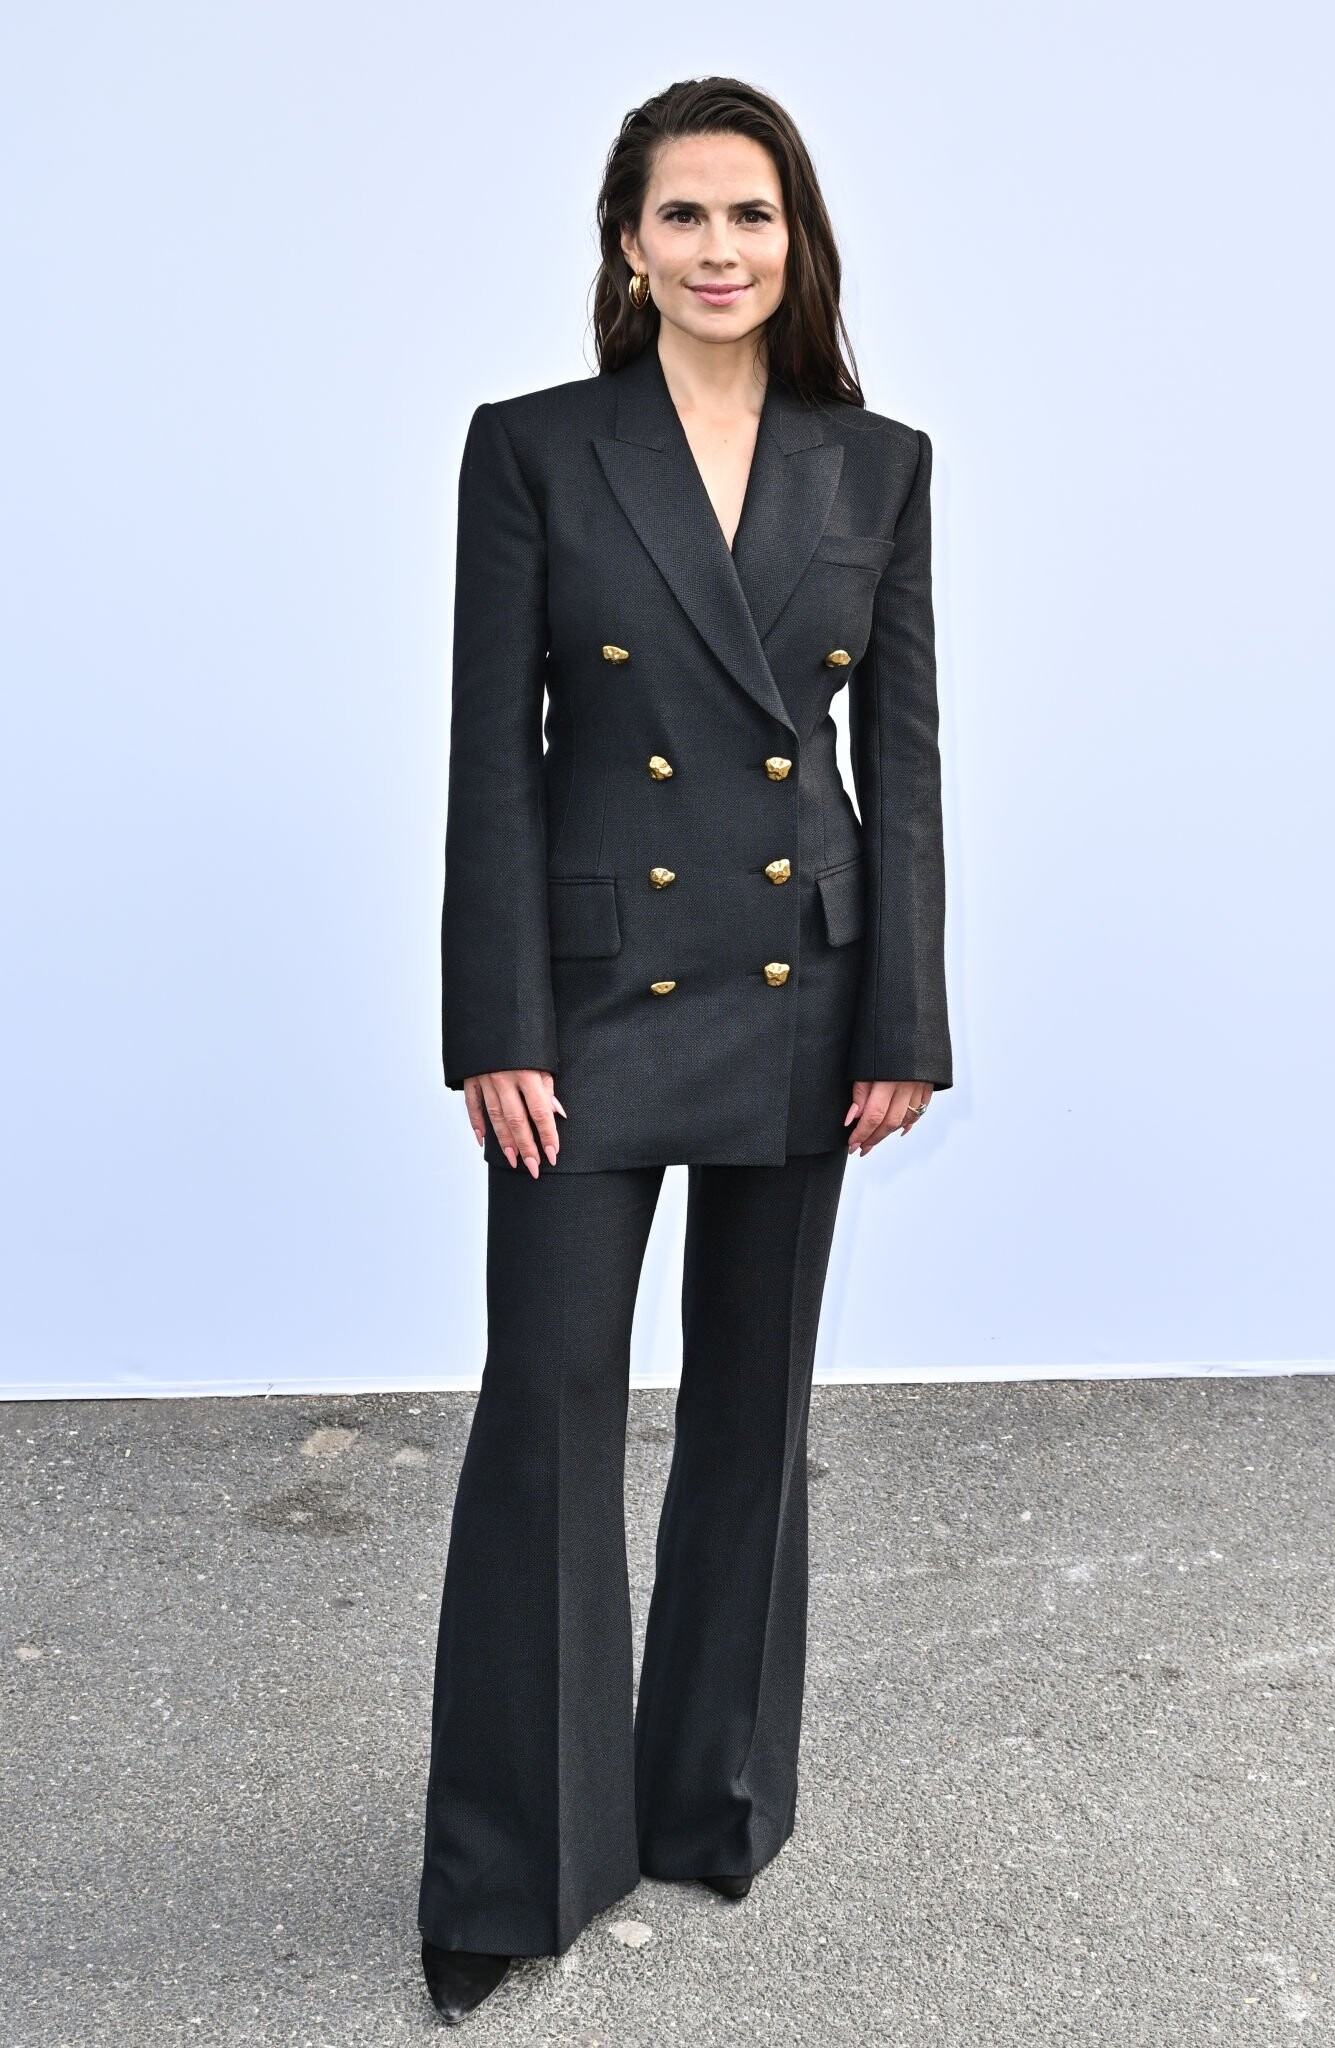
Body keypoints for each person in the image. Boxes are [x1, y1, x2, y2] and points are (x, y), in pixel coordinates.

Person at [417, 74, 952, 2025]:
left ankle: (711, 1794)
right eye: (682, 216)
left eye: (751, 215)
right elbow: (495, 753)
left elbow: (902, 759)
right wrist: (496, 1021)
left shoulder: (873, 465)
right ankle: (513, 1865)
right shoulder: (536, 450)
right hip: (594, 991)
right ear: (626, 244)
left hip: (805, 989)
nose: (719, 249)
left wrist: (905, 1016)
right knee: (549, 1403)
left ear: (794, 241)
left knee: (751, 1407)